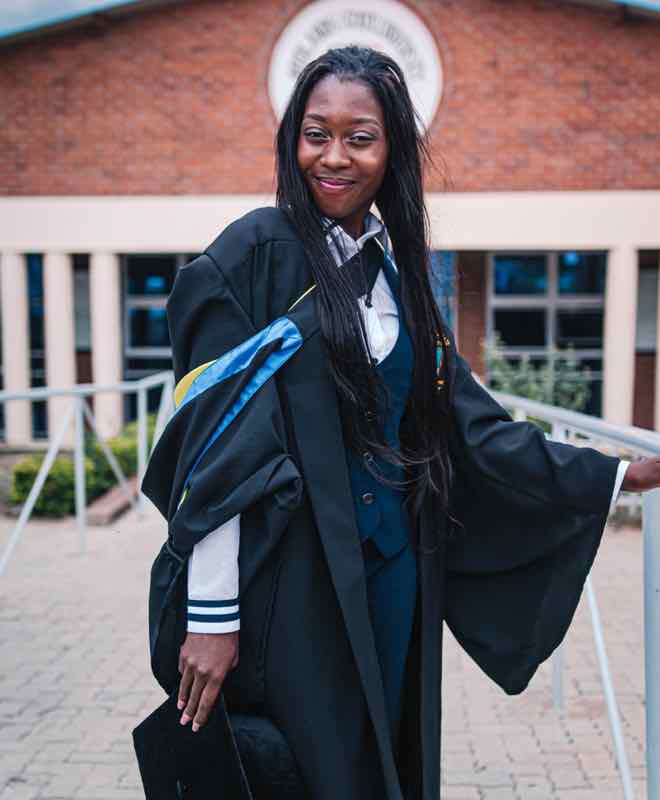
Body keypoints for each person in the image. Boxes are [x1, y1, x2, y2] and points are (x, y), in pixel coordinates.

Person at [134, 46, 660, 800]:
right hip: (295, 582)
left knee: (385, 760)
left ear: (392, 152)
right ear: (291, 140)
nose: (334, 157)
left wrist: (617, 475)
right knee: (311, 769)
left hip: (393, 575)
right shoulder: (253, 256)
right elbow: (217, 451)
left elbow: (468, 425)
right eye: (316, 134)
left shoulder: (394, 271)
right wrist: (213, 616)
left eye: (360, 137)